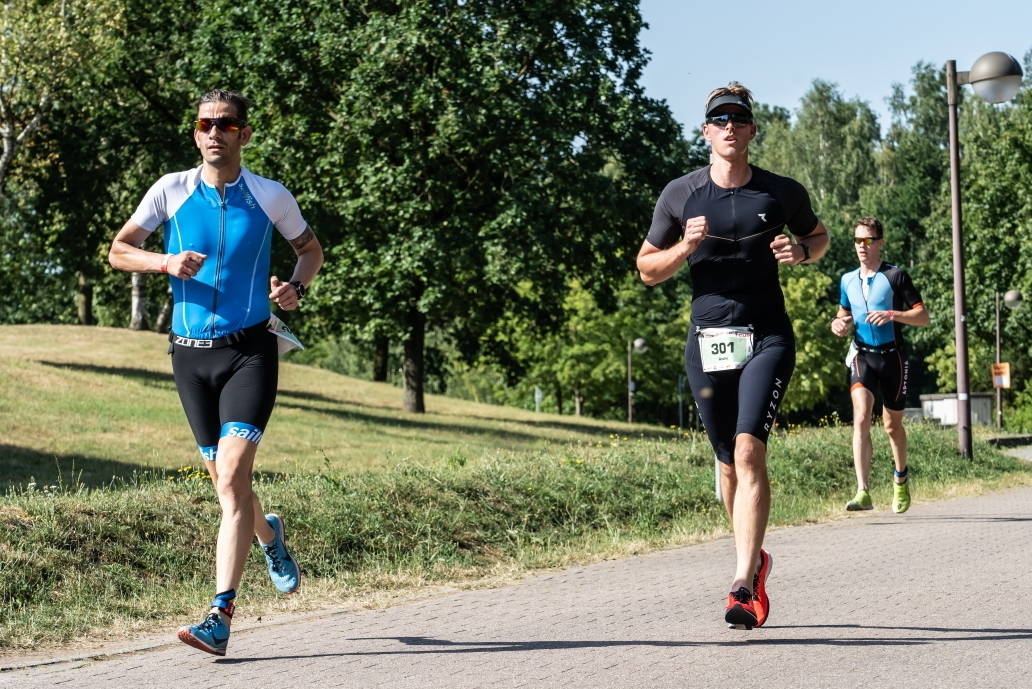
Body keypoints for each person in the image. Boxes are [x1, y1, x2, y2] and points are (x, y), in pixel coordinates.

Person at [108, 89, 324, 656]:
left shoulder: (270, 195)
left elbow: (310, 250)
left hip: (251, 350)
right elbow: (118, 250)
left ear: (243, 134)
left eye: (226, 124)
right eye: (205, 123)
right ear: (195, 133)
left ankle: (220, 615)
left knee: (230, 481)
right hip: (189, 357)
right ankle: (270, 534)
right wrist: (163, 262)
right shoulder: (170, 191)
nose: (214, 132)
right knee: (227, 482)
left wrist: (294, 289)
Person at [637, 82, 829, 631]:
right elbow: (647, 270)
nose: (728, 127)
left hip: (767, 334)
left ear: (751, 131)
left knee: (748, 453)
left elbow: (819, 237)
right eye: (718, 120)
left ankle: (743, 583)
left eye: (737, 120)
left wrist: (802, 252)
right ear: (706, 132)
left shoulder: (780, 192)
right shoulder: (680, 195)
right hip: (708, 340)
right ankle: (757, 557)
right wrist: (685, 247)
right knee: (726, 465)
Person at [831, 216, 928, 514]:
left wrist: (892, 314)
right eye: (857, 241)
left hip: (893, 357)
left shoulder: (896, 276)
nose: (862, 246)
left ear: (880, 243)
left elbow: (923, 317)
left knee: (891, 426)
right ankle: (863, 491)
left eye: (868, 241)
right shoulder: (847, 279)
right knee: (860, 417)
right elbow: (841, 314)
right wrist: (838, 324)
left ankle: (900, 479)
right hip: (862, 354)